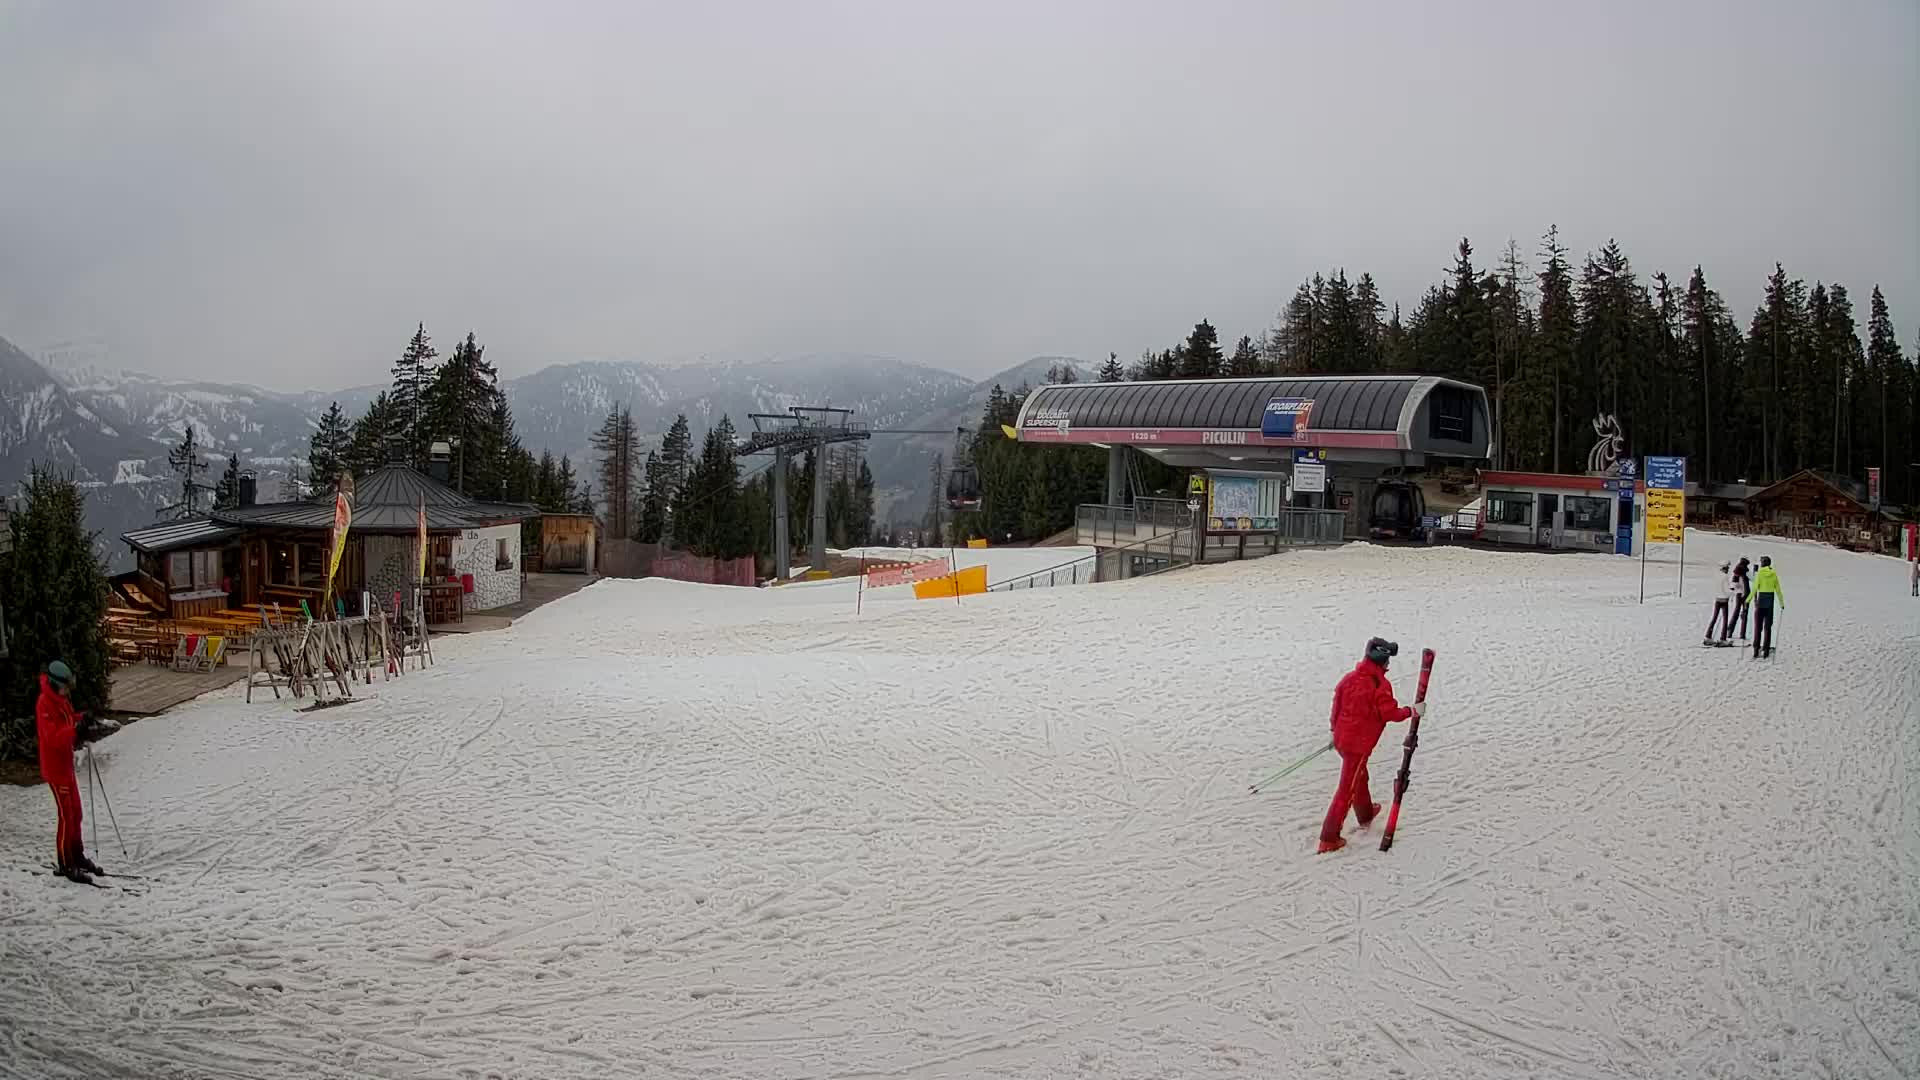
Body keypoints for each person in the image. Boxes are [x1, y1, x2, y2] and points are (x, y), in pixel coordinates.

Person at [1318, 638, 1426, 854]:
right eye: (1387, 661)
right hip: (1357, 746)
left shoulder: (1349, 679)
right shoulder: (1379, 685)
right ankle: (1328, 838)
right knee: (1346, 789)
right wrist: (1412, 711)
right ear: (1382, 661)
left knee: (1359, 777)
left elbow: (1336, 706)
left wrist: (1334, 732)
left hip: (1342, 741)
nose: (1388, 666)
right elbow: (1389, 713)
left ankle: (1365, 812)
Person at [37, 660, 101, 882]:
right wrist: (74, 729)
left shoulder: (61, 700)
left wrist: (82, 718)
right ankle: (65, 864)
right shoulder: (45, 704)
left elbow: (68, 721)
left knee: (76, 813)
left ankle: (77, 855)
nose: (67, 691)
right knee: (66, 817)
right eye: (65, 687)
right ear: (55, 685)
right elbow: (53, 737)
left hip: (66, 765)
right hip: (55, 769)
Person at [1750, 556, 1784, 659]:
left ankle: (1756, 650)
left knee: (1757, 628)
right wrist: (1782, 603)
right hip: (1769, 604)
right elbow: (1778, 589)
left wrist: (1748, 600)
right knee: (1767, 628)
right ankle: (1766, 650)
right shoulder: (1773, 574)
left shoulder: (1759, 574)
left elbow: (1755, 588)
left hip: (1760, 603)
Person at [1703, 562, 1736, 645]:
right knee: (1725, 620)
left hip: (1717, 599)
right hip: (1724, 600)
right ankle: (1723, 638)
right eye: (1727, 568)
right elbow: (1726, 590)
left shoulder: (1716, 576)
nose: (1728, 570)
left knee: (1714, 618)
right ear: (1725, 568)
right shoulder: (1725, 577)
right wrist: (1732, 592)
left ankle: (1708, 636)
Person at [1730, 557, 1754, 640]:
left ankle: (1730, 632)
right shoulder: (1746, 571)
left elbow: (1733, 585)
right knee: (1744, 613)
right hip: (1746, 594)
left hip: (1738, 594)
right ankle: (1742, 634)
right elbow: (1753, 579)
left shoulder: (1736, 571)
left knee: (1736, 612)